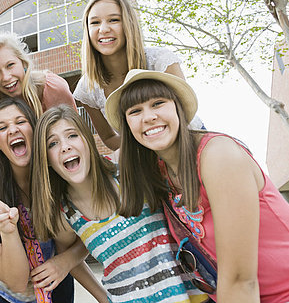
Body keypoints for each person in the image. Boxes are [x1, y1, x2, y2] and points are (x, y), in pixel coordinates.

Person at [104, 69, 289, 302]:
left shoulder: (217, 154)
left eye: (158, 103)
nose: (148, 117)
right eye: (135, 111)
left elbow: (240, 280)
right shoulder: (159, 174)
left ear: (178, 108)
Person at [31, 104, 208, 303]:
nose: (65, 146)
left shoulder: (124, 166)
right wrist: (103, 299)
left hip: (192, 295)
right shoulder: (65, 215)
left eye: (72, 135)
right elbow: (68, 256)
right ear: (45, 159)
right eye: (52, 144)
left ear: (87, 140)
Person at [0, 98, 107, 303]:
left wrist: (65, 262)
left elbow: (86, 235)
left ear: (36, 130)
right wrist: (8, 232)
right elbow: (15, 281)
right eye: (2, 127)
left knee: (62, 278)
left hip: (47, 284)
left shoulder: (62, 180)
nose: (13, 129)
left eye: (20, 121)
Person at [73, 0, 203, 151]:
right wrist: (140, 148)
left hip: (189, 143)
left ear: (128, 23)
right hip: (142, 156)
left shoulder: (161, 62)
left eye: (113, 20)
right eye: (95, 22)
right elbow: (108, 137)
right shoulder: (87, 88)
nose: (104, 29)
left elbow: (184, 115)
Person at [0, 33, 77, 147]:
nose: (6, 77)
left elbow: (75, 135)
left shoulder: (52, 88)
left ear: (23, 62)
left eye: (10, 65)